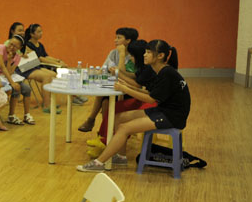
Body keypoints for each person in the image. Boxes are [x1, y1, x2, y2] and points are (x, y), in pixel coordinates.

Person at [78, 40, 190, 172]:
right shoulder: (162, 71)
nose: (144, 55)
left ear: (160, 56)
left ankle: (98, 163)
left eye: (148, 52)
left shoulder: (166, 73)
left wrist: (125, 89)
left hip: (172, 116)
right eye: (145, 52)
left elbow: (150, 99)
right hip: (163, 110)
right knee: (118, 118)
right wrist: (128, 86)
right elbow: (150, 93)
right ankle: (121, 157)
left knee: (124, 128)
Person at [78, 27, 139, 132]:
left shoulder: (134, 56)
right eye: (116, 37)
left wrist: (122, 55)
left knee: (104, 100)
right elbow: (103, 69)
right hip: (113, 85)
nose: (115, 40)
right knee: (104, 99)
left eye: (119, 38)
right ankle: (103, 130)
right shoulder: (113, 53)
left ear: (128, 40)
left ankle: (96, 125)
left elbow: (123, 74)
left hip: (127, 89)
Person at [0, 36, 34, 126]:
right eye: (10, 44)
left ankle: (26, 115)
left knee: (27, 89)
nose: (11, 47)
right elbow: (2, 67)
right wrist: (12, 83)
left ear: (19, 48)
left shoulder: (18, 56)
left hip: (7, 77)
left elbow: (9, 72)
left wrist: (9, 60)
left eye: (15, 46)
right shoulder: (1, 48)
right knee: (16, 88)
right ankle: (7, 116)